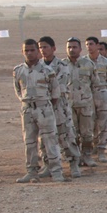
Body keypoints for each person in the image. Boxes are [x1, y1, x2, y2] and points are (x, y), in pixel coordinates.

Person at [13, 39, 66, 183]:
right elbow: (18, 91)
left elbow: (55, 93)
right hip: (27, 109)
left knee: (50, 141)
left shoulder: (48, 71)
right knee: (29, 142)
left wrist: (45, 105)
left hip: (44, 108)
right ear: (22, 52)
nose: (29, 53)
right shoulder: (18, 71)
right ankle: (31, 172)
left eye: (32, 50)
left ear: (38, 51)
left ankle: (56, 172)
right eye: (26, 51)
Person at [37, 36, 81, 179]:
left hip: (59, 107)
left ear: (53, 48)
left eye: (45, 47)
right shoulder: (37, 67)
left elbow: (59, 88)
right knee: (44, 138)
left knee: (66, 136)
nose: (43, 50)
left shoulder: (62, 66)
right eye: (40, 47)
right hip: (43, 107)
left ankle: (74, 164)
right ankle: (48, 165)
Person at [66, 38, 97, 169]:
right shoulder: (61, 66)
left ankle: (87, 156)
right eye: (69, 47)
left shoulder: (88, 64)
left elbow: (94, 84)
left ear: (80, 49)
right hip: (68, 106)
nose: (72, 50)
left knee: (87, 134)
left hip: (85, 105)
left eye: (74, 47)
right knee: (71, 134)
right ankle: (75, 157)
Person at [85, 37, 107, 163]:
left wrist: (106, 92)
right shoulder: (83, 63)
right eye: (86, 44)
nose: (89, 47)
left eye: (91, 44)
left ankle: (102, 150)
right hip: (87, 96)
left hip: (102, 95)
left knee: (104, 123)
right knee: (88, 124)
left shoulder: (106, 62)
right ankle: (89, 149)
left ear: (97, 45)